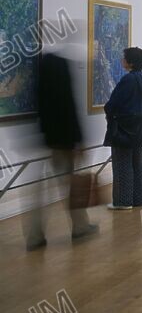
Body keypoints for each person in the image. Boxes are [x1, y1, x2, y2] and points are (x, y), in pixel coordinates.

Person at [24, 45, 98, 250]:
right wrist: (79, 141)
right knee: (70, 186)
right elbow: (70, 109)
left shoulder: (40, 82)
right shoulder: (61, 78)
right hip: (63, 142)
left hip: (44, 139)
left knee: (38, 192)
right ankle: (80, 227)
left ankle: (34, 236)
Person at [104, 47, 142, 210]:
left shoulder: (128, 80)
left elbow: (114, 103)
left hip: (124, 129)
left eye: (123, 58)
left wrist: (108, 110)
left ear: (130, 62)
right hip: (140, 129)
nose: (121, 60)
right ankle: (138, 198)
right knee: (138, 163)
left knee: (122, 164)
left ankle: (123, 201)